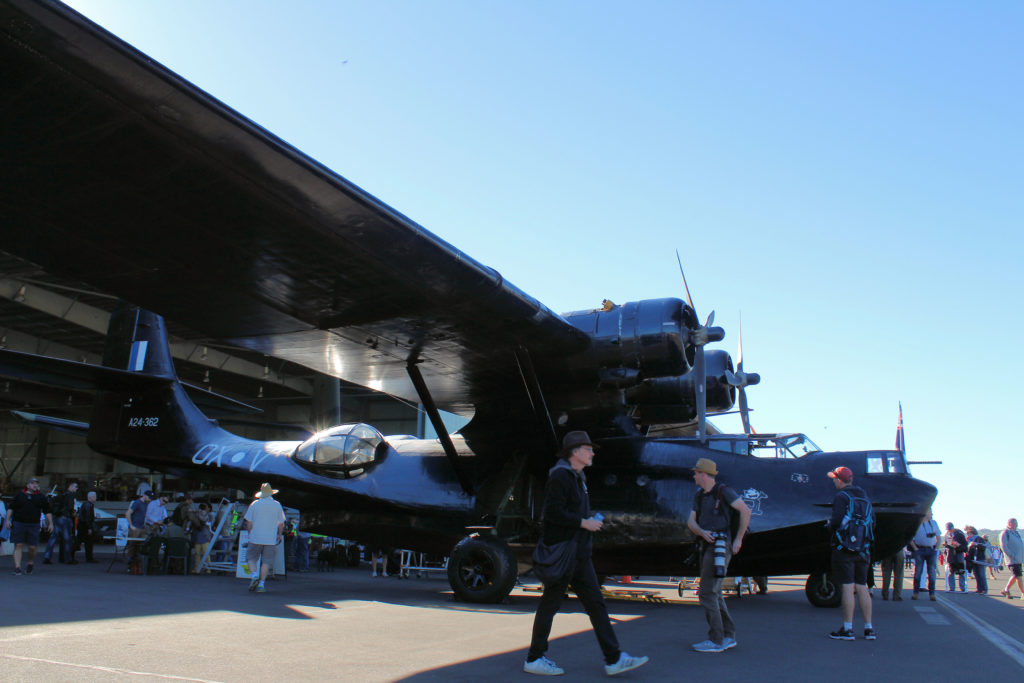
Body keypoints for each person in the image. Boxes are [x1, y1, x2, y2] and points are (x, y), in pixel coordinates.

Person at [524, 431, 648, 676]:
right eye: (588, 449)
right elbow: (552, 513)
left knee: (596, 604)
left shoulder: (578, 477)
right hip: (565, 553)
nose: (592, 453)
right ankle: (534, 658)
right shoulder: (561, 476)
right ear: (575, 452)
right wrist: (584, 523)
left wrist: (588, 519)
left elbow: (568, 512)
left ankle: (614, 659)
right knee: (551, 604)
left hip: (578, 554)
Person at [687, 457, 751, 653]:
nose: (694, 475)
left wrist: (738, 539)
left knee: (707, 593)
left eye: (696, 473)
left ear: (704, 474)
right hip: (706, 546)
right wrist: (701, 532)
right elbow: (691, 521)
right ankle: (728, 635)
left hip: (721, 547)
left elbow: (745, 511)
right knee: (714, 592)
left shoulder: (724, 492)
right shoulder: (699, 495)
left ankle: (716, 640)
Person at [825, 466, 876, 641]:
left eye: (834, 479)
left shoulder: (841, 497)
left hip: (844, 548)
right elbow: (873, 523)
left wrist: (829, 525)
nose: (833, 481)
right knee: (862, 586)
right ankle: (869, 628)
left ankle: (847, 629)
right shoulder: (864, 497)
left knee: (847, 586)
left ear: (840, 480)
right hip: (863, 550)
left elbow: (837, 521)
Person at [5, 477, 54, 575]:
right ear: (27, 485)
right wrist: (7, 520)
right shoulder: (19, 495)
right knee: (18, 544)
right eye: (32, 483)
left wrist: (51, 523)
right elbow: (11, 508)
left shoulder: (41, 497)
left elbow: (47, 511)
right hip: (19, 523)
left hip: (34, 524)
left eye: (36, 484)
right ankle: (17, 567)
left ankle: (30, 562)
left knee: (32, 547)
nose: (35, 485)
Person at [243, 482, 286, 593]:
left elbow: (249, 522)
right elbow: (281, 523)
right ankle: (261, 584)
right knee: (266, 562)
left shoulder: (255, 504)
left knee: (251, 558)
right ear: (271, 493)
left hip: (255, 536)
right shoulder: (277, 504)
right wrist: (279, 534)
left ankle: (254, 576)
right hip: (270, 538)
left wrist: (250, 532)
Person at [907, 508, 940, 601]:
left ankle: (932, 593)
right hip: (920, 549)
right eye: (929, 511)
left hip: (931, 549)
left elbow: (938, 537)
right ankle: (915, 592)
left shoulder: (934, 523)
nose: (931, 514)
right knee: (918, 572)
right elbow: (910, 537)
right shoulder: (917, 523)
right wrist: (915, 548)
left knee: (932, 572)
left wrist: (936, 548)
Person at [43, 481, 78, 564]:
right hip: (65, 518)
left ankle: (47, 557)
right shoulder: (70, 495)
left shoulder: (61, 495)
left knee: (53, 538)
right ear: (71, 486)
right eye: (76, 487)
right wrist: (72, 513)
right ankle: (68, 559)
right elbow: (70, 507)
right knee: (67, 539)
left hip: (57, 518)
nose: (77, 489)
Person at [1000, 518, 1023, 599]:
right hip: (1012, 559)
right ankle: (1023, 593)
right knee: (1018, 576)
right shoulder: (1005, 533)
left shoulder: (1016, 533)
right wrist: (1012, 555)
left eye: (1016, 524)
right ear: (1010, 524)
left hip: (1018, 559)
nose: (1016, 526)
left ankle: (1006, 590)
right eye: (1014, 524)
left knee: (1016, 576)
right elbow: (1004, 546)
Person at [943, 523, 968, 592]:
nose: (949, 531)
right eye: (948, 529)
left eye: (950, 529)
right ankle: (952, 588)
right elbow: (946, 544)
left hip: (959, 554)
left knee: (960, 571)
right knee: (951, 571)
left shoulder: (959, 533)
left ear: (953, 527)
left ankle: (962, 588)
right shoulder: (946, 535)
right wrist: (946, 547)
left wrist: (958, 545)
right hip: (951, 555)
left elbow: (965, 545)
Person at [76, 490, 99, 563]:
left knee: (81, 541)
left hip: (82, 525)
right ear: (91, 497)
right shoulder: (89, 505)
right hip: (85, 526)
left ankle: (71, 554)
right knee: (88, 542)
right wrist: (89, 527)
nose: (96, 498)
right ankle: (89, 558)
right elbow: (88, 517)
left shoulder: (86, 504)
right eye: (95, 497)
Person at [964, 526, 988, 594]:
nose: (968, 535)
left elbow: (983, 547)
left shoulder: (979, 538)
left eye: (969, 533)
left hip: (980, 558)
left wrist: (976, 544)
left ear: (972, 532)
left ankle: (984, 589)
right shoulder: (968, 540)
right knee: (976, 574)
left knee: (981, 574)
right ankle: (979, 588)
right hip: (972, 558)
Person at [191, 502, 214, 573]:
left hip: (200, 535)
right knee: (205, 553)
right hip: (204, 535)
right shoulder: (210, 515)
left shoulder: (208, 515)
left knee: (199, 553)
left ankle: (200, 568)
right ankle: (206, 568)